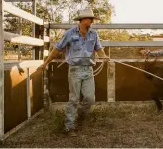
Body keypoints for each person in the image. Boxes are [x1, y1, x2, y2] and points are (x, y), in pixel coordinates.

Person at [37, 8, 109, 136]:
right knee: (74, 99)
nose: (92, 22)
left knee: (90, 98)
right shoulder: (70, 33)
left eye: (92, 19)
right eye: (90, 19)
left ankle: (80, 116)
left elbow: (99, 49)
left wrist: (104, 56)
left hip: (88, 69)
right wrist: (45, 63)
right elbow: (57, 49)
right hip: (75, 69)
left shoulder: (94, 34)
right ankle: (69, 126)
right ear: (82, 20)